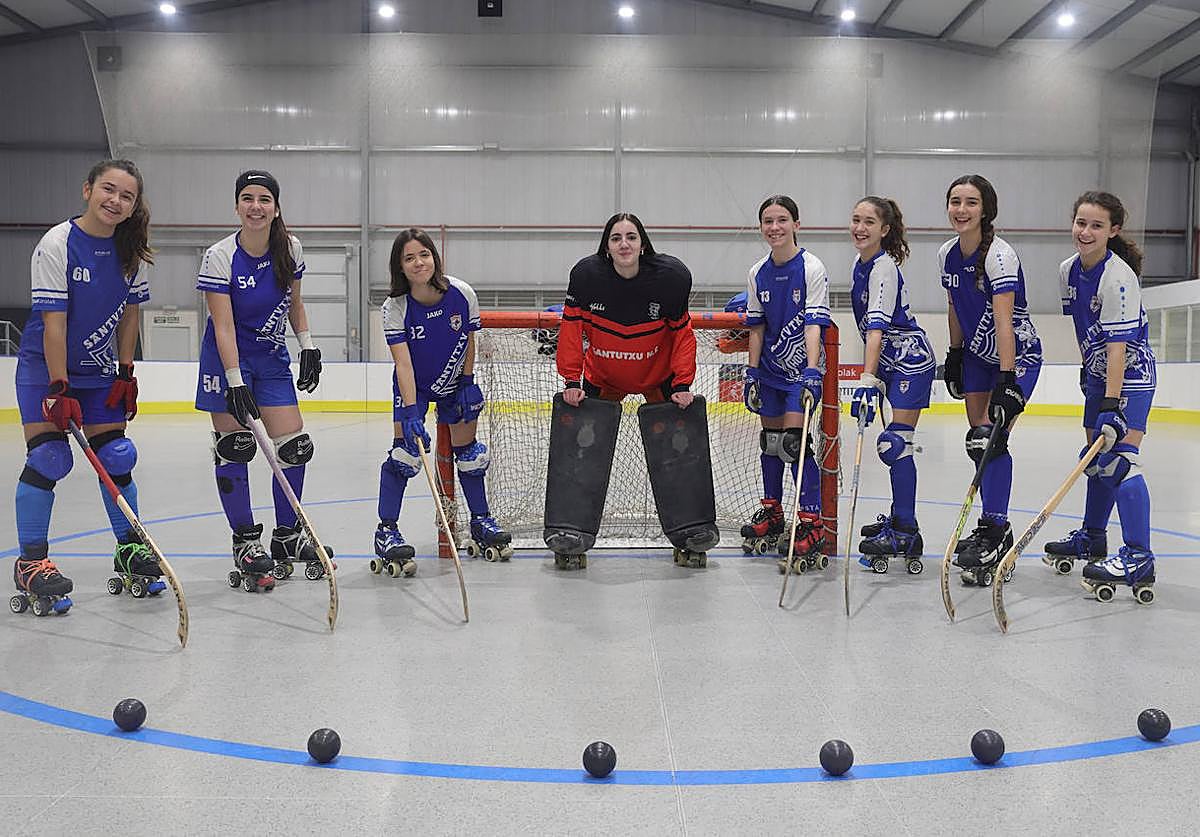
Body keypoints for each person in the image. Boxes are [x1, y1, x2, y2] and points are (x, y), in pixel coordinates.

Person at [12, 159, 157, 613]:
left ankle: (129, 547)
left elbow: (131, 315)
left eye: (126, 195)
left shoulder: (132, 250)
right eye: (108, 190)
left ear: (134, 206)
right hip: (45, 367)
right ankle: (31, 563)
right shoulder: (57, 243)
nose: (115, 201)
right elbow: (54, 323)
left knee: (116, 456)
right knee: (50, 458)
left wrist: (126, 371)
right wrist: (58, 386)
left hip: (98, 373)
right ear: (87, 190)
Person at [550, 212, 718, 561]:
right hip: (603, 377)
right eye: (616, 238)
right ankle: (570, 531)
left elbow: (683, 336)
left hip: (658, 378)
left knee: (679, 450)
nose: (624, 244)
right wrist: (571, 380)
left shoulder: (671, 279)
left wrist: (682, 383)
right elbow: (570, 332)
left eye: (631, 237)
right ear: (606, 247)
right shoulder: (586, 277)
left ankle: (690, 530)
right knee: (581, 453)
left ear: (643, 244)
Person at [194, 170, 325, 590]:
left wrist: (308, 346)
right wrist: (234, 380)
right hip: (226, 359)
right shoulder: (220, 256)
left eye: (264, 199)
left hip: (270, 358)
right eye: (247, 198)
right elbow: (224, 326)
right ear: (236, 206)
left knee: (295, 447)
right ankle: (246, 542)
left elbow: (295, 304)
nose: (256, 206)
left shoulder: (290, 249)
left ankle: (286, 537)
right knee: (235, 447)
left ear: (276, 207)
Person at [378, 228, 511, 573]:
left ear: (434, 258)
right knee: (405, 456)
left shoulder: (462, 293)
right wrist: (410, 412)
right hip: (415, 387)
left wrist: (467, 381)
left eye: (424, 254)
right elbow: (403, 364)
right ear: (400, 267)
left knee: (470, 456)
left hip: (455, 383)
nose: (418, 262)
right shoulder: (395, 307)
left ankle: (481, 521)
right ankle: (386, 531)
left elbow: (468, 339)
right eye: (409, 258)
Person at [1048, 191, 1156, 603]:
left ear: (1113, 231)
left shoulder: (1119, 276)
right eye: (1080, 223)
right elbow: (1083, 331)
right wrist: (1089, 381)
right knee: (1094, 459)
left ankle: (1139, 556)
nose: (1086, 231)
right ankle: (1093, 538)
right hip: (1098, 377)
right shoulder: (1067, 271)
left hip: (1128, 378)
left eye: (1096, 225)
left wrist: (1111, 404)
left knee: (1117, 462)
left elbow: (1119, 347)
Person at [939, 174, 1043, 585]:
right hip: (977, 358)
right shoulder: (947, 253)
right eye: (954, 201)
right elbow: (954, 307)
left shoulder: (1000, 256)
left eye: (970, 202)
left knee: (991, 441)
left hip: (1014, 357)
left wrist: (1007, 377)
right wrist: (954, 354)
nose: (961, 210)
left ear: (986, 210)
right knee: (978, 444)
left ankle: (996, 528)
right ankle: (991, 527)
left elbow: (1004, 322)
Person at [738, 195, 832, 573]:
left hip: (800, 374)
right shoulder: (757, 271)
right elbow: (757, 328)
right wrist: (752, 372)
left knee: (795, 444)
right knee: (771, 443)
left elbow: (814, 323)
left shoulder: (811, 267)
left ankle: (811, 521)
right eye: (767, 221)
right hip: (772, 372)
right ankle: (774, 510)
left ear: (796, 223)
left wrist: (811, 371)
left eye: (781, 220)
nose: (774, 227)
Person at [847, 196, 936, 575]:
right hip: (888, 362)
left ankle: (905, 530)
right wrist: (874, 373)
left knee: (896, 444)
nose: (860, 228)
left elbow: (877, 328)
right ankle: (901, 523)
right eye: (855, 220)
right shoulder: (859, 264)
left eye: (869, 222)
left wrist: (867, 379)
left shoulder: (883, 268)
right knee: (892, 447)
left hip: (909, 361)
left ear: (884, 230)